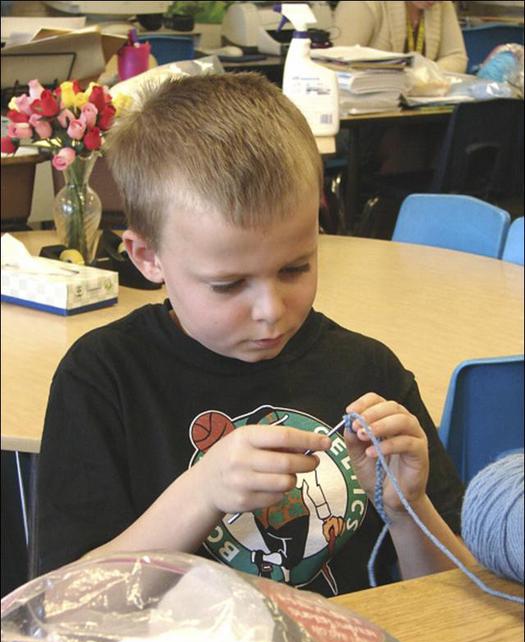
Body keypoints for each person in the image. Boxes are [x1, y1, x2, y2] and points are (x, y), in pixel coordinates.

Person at [35, 72, 475, 596]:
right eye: (228, 285)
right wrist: (203, 492)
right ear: (148, 258)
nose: (271, 311)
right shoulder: (104, 377)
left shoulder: (367, 370)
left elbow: (458, 604)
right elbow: (64, 606)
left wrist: (409, 512)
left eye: (295, 268)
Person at [333, 1, 468, 74]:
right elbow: (338, 63)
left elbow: (457, 56)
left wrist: (426, 76)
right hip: (369, 110)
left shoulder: (442, 4)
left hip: (421, 108)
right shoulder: (361, 4)